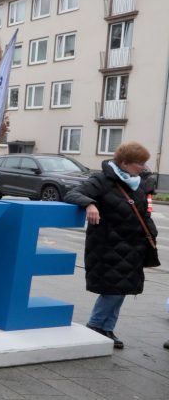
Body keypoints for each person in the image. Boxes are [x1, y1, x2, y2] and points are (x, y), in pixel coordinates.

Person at [65, 141, 158, 350]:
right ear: (124, 163)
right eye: (139, 163)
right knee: (113, 289)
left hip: (134, 246)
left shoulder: (140, 181)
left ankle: (107, 328)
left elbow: (145, 212)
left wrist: (152, 234)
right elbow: (72, 194)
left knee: (123, 288)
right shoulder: (103, 179)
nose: (143, 167)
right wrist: (90, 203)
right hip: (108, 245)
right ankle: (96, 325)